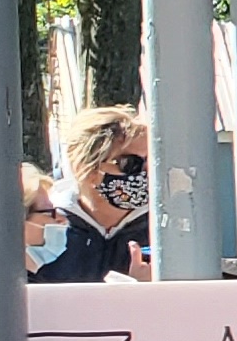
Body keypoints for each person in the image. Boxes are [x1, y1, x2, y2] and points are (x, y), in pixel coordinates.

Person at [32, 105, 149, 283]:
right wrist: (134, 293)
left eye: (151, 161)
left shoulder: (166, 227)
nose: (147, 172)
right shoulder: (47, 229)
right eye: (131, 164)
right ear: (87, 170)